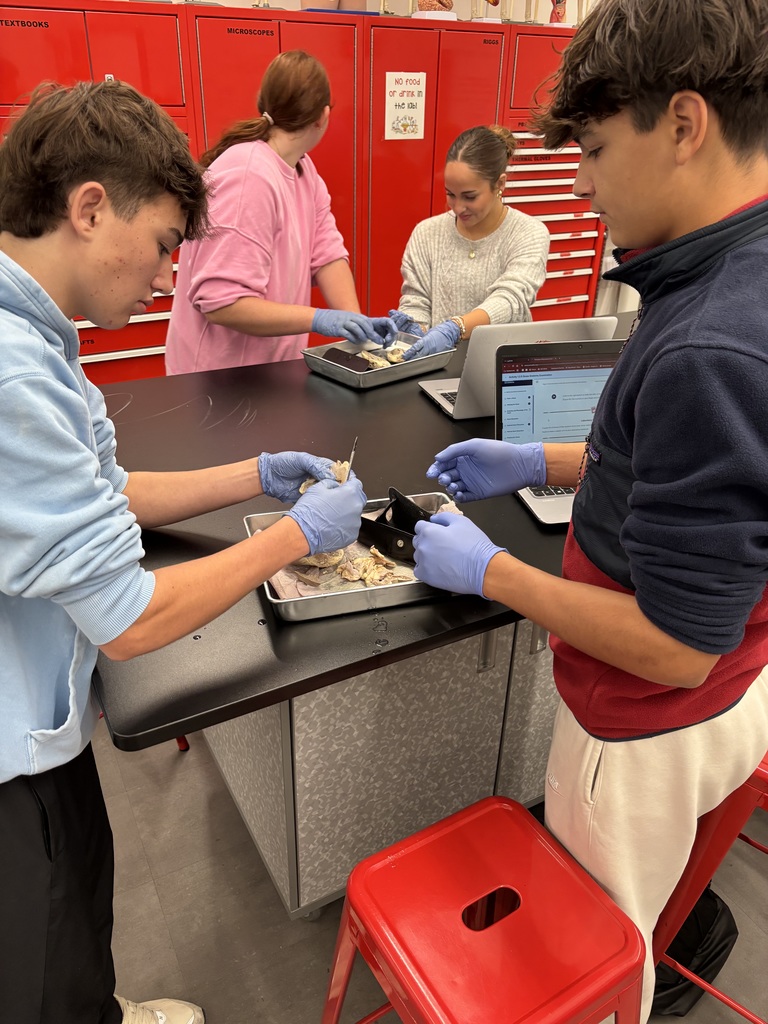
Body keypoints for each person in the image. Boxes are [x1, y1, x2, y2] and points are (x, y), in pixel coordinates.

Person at [410, 0, 768, 1019]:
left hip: (646, 723)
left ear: (686, 124)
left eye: (599, 150)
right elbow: (680, 466)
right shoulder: (728, 278)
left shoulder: (712, 344)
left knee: (596, 956)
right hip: (738, 690)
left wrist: (495, 574)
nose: (581, 183)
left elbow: (672, 645)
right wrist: (545, 456)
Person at [0, 80, 366, 1024]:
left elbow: (97, 493)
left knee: (76, 898)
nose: (169, 279)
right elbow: (130, 618)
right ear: (88, 208)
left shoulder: (37, 336)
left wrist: (252, 475)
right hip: (8, 763)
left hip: (41, 724)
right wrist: (297, 538)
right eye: (164, 245)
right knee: (38, 942)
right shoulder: (9, 370)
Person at [165, 49, 394, 373]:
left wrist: (356, 326)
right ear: (323, 115)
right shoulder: (249, 176)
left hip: (267, 373)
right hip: (217, 381)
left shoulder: (303, 169)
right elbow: (222, 303)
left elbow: (327, 253)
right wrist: (319, 318)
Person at [391, 124, 549, 361]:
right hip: (441, 365)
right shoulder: (427, 233)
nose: (457, 207)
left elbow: (510, 298)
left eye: (469, 196)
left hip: (506, 369)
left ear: (500, 184)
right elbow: (417, 300)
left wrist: (456, 327)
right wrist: (414, 328)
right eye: (450, 194)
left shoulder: (528, 233)